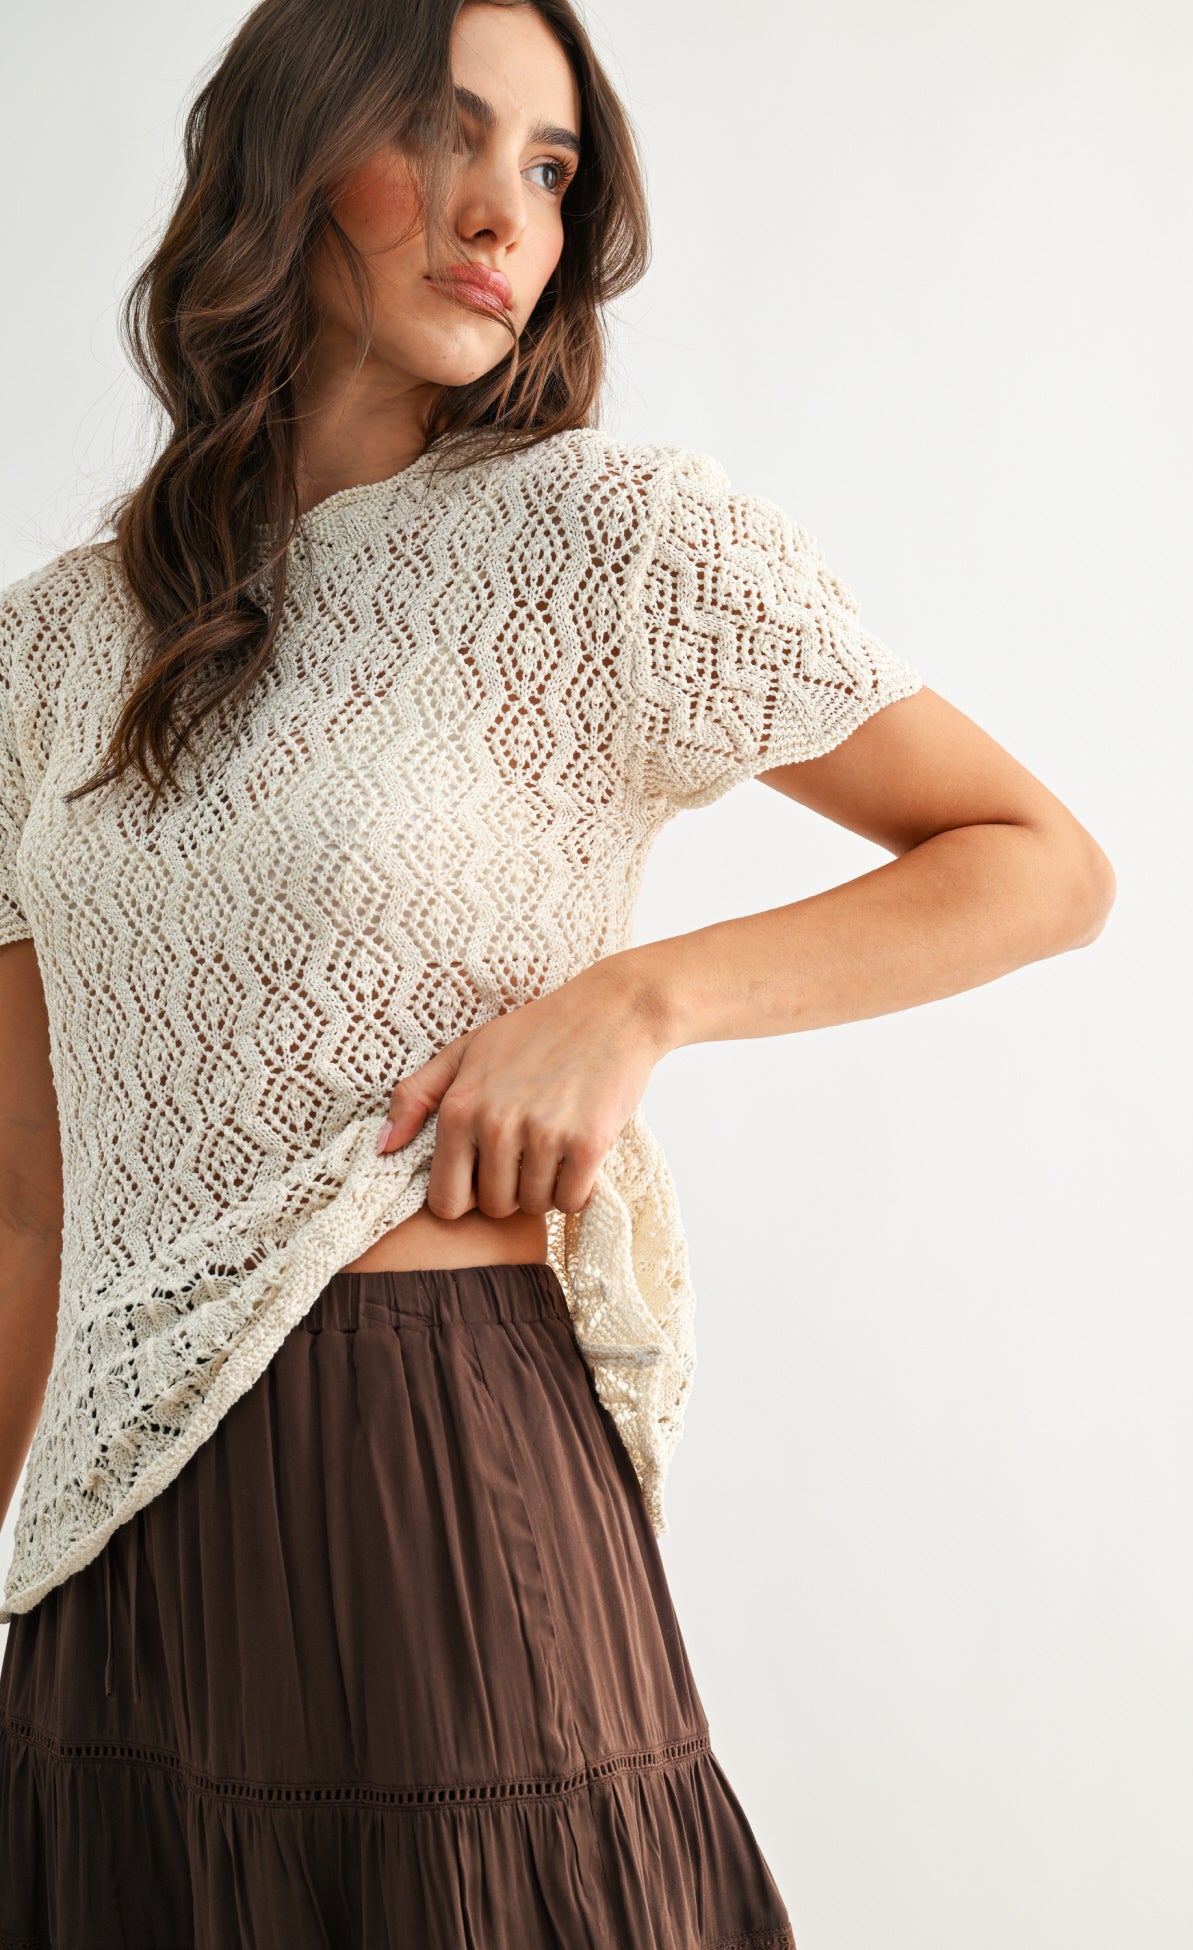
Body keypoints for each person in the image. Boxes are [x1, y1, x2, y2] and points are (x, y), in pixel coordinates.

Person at [0, 0, 1116, 1941]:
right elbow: (27, 1208)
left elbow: (1035, 863)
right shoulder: (52, 646)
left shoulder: (604, 543)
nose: (503, 213)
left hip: (423, 1461)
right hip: (116, 1537)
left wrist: (637, 999)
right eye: (444, 136)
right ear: (291, 151)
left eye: (547, 167)